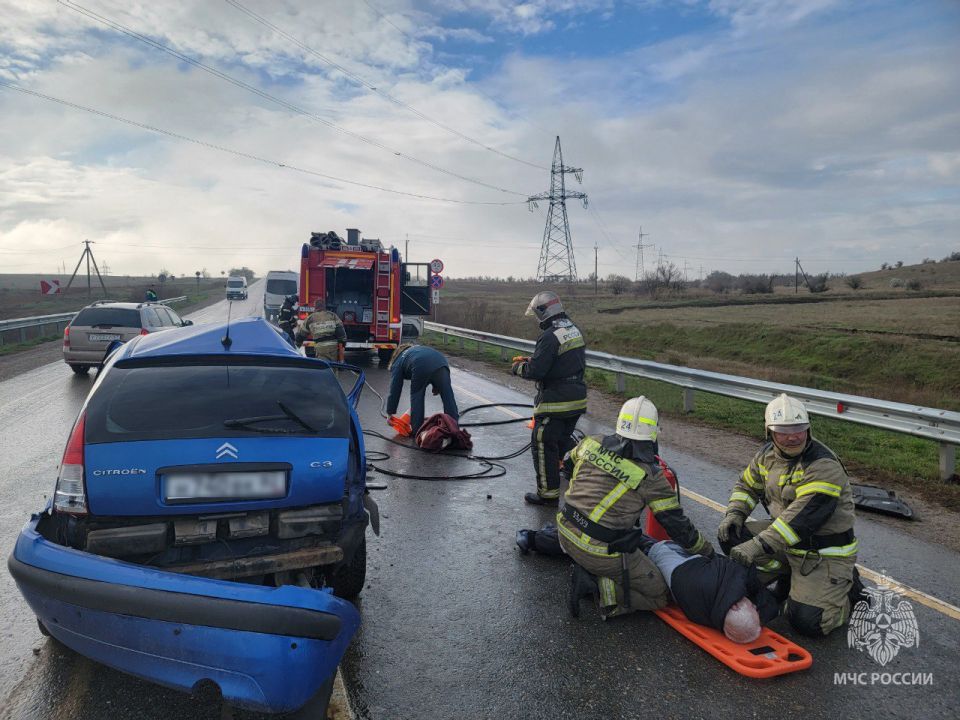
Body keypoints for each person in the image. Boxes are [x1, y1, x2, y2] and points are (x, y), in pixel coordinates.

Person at [717, 393, 862, 637]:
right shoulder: (767, 456)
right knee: (731, 533)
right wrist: (735, 512)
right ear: (769, 432)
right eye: (783, 431)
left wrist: (757, 546)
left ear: (808, 428)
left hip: (822, 552)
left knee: (808, 622)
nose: (793, 436)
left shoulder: (823, 465)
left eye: (799, 429)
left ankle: (848, 594)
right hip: (787, 543)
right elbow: (747, 486)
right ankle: (789, 575)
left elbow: (801, 520)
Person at [561, 396, 714, 619]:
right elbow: (678, 527)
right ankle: (597, 585)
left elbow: (567, 465)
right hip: (596, 549)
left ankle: (589, 568)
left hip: (564, 531)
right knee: (659, 594)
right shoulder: (651, 476)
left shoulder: (591, 442)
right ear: (653, 433)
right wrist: (708, 553)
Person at [511, 291, 587, 505]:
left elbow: (536, 371)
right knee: (563, 444)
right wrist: (535, 359)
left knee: (543, 445)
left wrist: (519, 367)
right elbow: (563, 360)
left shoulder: (549, 336)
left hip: (556, 403)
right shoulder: (573, 329)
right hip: (576, 399)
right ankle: (582, 479)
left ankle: (547, 495)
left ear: (544, 311)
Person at [645, 539, 779, 643]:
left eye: (753, 608)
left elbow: (752, 581)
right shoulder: (705, 617)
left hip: (665, 551)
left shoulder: (734, 578)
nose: (755, 605)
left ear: (735, 606)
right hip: (668, 572)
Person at [386, 344, 459, 436]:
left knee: (417, 396)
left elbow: (395, 389)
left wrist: (390, 412)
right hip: (442, 362)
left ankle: (417, 431)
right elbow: (430, 361)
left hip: (420, 365)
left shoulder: (397, 362)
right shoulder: (416, 350)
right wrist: (436, 385)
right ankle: (454, 428)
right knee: (448, 396)